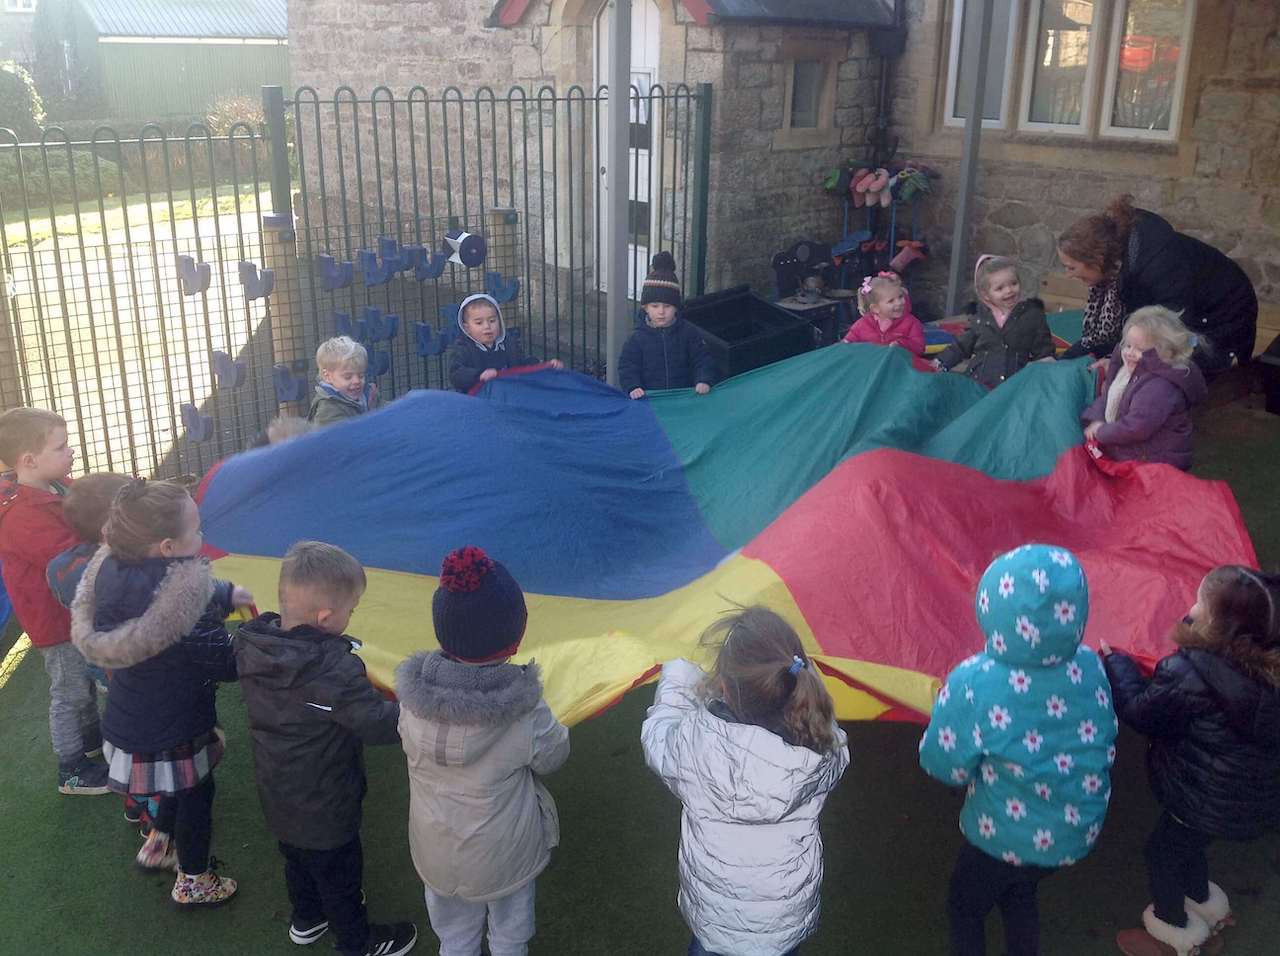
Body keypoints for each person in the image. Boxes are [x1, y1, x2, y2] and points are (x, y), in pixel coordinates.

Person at [919, 544, 1117, 956]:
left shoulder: (974, 680)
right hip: (1074, 831)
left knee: (965, 905)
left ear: (992, 606)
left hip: (1003, 835)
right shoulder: (1090, 664)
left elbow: (944, 766)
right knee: (1020, 890)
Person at [69, 479, 250, 906]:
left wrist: (224, 593)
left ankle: (159, 841)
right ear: (168, 547)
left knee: (173, 786)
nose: (202, 537)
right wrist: (253, 644)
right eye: (197, 530)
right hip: (176, 720)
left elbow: (180, 596)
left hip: (135, 713)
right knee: (196, 794)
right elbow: (218, 657)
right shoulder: (182, 595)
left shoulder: (111, 569)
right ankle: (193, 879)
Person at [236, 541, 416, 956]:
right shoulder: (329, 670)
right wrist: (423, 710)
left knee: (296, 858)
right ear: (326, 617)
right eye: (351, 610)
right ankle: (357, 942)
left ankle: (306, 917)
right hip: (324, 800)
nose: (352, 616)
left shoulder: (254, 646)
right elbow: (377, 722)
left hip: (277, 789)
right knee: (339, 874)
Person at [640, 605, 850, 956]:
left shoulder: (695, 747)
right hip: (782, 921)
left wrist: (678, 678)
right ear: (795, 678)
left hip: (715, 922)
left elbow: (657, 736)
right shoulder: (820, 750)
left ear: (723, 684)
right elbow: (835, 741)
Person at [396, 546, 569, 956]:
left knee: (454, 935)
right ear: (516, 636)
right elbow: (554, 755)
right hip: (503, 855)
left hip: (436, 850)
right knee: (510, 931)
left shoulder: (411, 703)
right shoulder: (524, 711)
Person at [1102, 566, 1280, 956]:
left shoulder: (1190, 674)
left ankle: (1174, 930)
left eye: (1199, 603)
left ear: (1218, 626)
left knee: (1162, 852)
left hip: (1202, 795)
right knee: (1189, 843)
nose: (1190, 607)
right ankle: (1205, 903)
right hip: (1249, 798)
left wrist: (1117, 665)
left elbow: (1140, 712)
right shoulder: (1267, 669)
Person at [0, 408, 111, 795]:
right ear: (29, 460)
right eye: (61, 447)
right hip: (53, 620)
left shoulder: (58, 485)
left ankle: (92, 739)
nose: (71, 453)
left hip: (72, 611)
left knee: (82, 681)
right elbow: (66, 558)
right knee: (69, 692)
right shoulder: (21, 516)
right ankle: (71, 768)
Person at [1058, 195, 1258, 373]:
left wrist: (1115, 361)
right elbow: (1114, 335)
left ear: (1097, 259)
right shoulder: (1118, 267)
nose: (1067, 275)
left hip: (1219, 327)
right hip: (1193, 317)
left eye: (1071, 267)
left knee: (1158, 377)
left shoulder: (1158, 269)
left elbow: (1168, 336)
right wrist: (1062, 360)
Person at [1081, 307, 1207, 471]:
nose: (1129, 353)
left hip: (1155, 461)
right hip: (1134, 451)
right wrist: (1095, 418)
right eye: (1128, 345)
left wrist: (1101, 432)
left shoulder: (1159, 387)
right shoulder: (1126, 369)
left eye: (1140, 350)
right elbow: (1108, 397)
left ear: (1165, 353)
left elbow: (1136, 427)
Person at [934, 256, 1055, 388]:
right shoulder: (980, 319)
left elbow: (1043, 347)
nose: (1009, 290)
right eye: (1000, 288)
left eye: (1013, 283)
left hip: (1016, 383)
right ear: (986, 295)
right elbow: (961, 346)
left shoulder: (1032, 315)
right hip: (980, 383)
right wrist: (940, 363)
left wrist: (1047, 365)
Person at [618, 252, 718, 399]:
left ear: (676, 307)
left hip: (684, 398)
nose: (661, 312)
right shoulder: (636, 338)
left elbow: (703, 359)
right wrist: (633, 386)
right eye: (655, 306)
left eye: (667, 306)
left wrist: (704, 379)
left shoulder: (689, 333)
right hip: (650, 401)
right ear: (645, 307)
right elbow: (627, 366)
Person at [448, 293, 563, 393]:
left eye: (492, 320)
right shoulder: (463, 348)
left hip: (507, 394)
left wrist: (545, 366)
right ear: (466, 328)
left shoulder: (508, 344)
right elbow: (456, 374)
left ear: (500, 321)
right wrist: (479, 375)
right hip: (476, 400)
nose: (487, 326)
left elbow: (523, 364)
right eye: (479, 323)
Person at [842, 270, 926, 355]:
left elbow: (919, 347)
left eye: (900, 297)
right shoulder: (863, 324)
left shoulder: (911, 323)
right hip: (873, 365)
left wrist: (902, 344)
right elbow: (848, 342)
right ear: (875, 308)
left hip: (901, 364)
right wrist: (845, 344)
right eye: (891, 301)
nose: (899, 303)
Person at [309, 336, 379, 425]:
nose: (357, 381)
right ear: (327, 376)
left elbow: (387, 410)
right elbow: (343, 436)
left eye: (361, 375)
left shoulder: (368, 393)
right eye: (348, 377)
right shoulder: (328, 409)